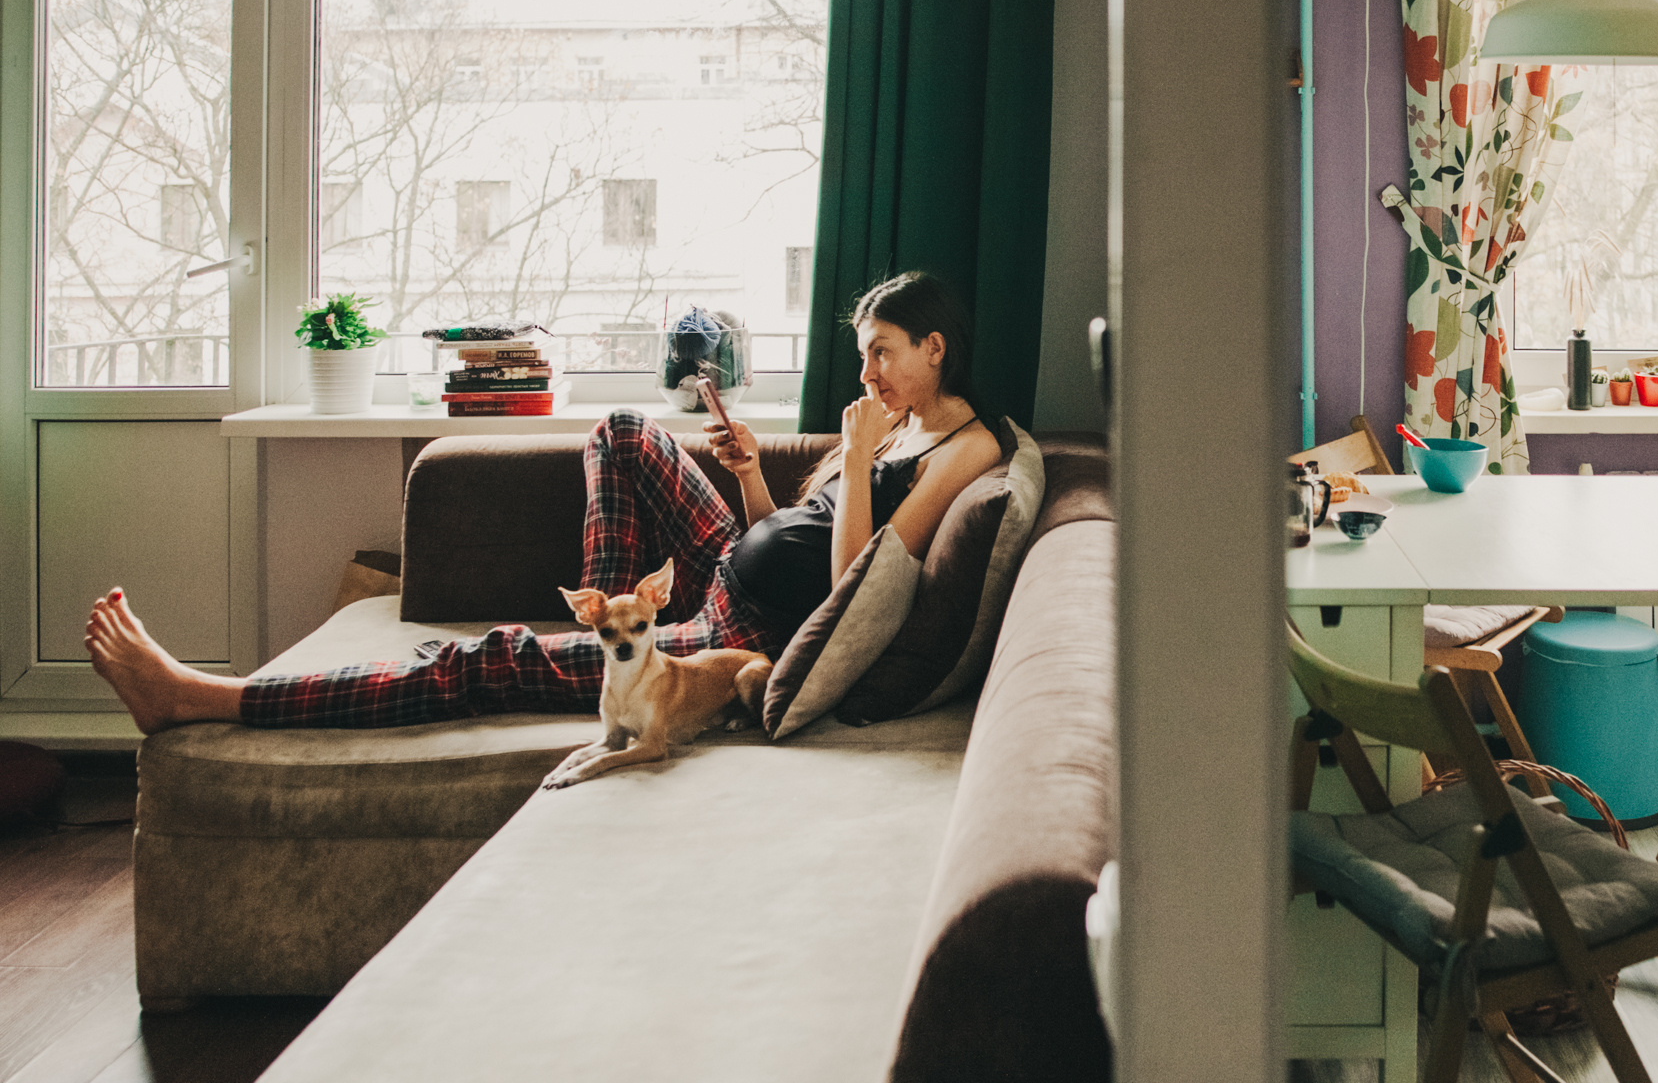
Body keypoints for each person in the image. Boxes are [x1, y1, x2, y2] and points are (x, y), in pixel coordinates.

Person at [85, 271, 1005, 733]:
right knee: (624, 431)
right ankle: (604, 643)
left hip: (749, 632)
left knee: (487, 662)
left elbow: (853, 581)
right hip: (735, 565)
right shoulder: (893, 422)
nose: (866, 371)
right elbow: (786, 530)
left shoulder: (968, 450)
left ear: (935, 346)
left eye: (882, 350)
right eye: (861, 352)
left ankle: (207, 699)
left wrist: (852, 451)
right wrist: (755, 469)